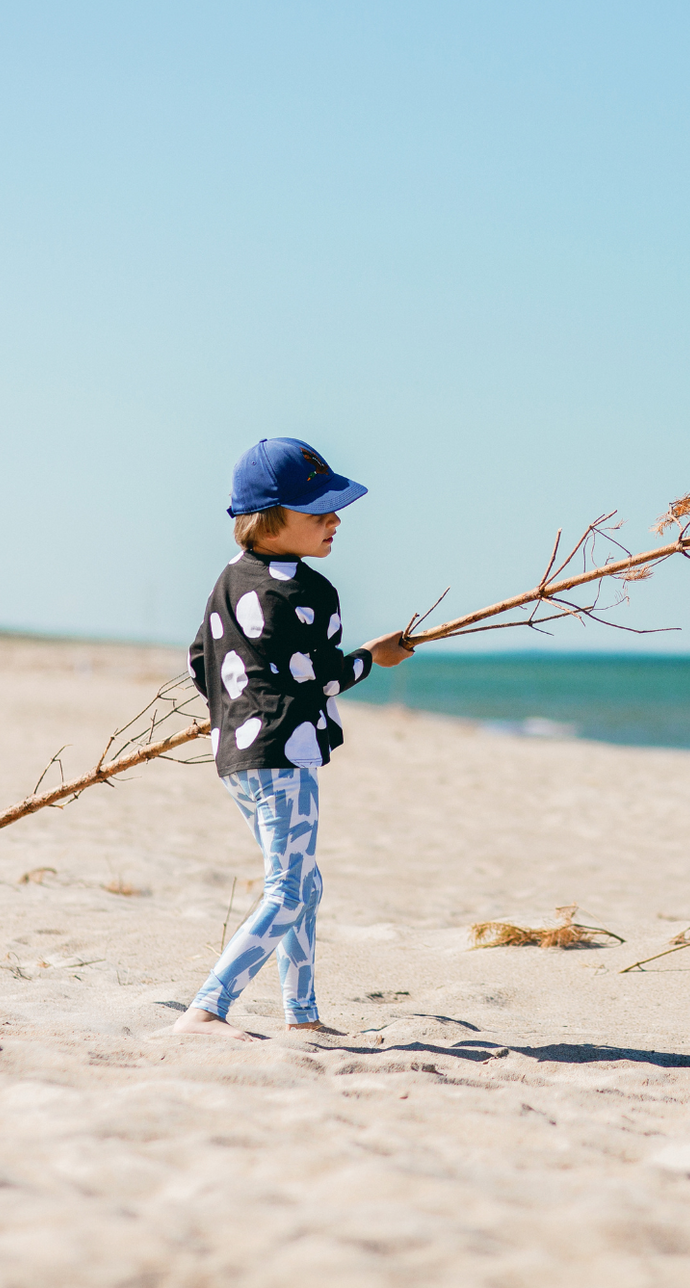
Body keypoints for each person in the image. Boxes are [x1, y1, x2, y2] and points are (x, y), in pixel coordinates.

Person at [173, 438, 413, 1041]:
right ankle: (206, 1009)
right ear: (270, 520)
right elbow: (322, 677)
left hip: (237, 753)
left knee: (303, 881)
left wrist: (235, 716)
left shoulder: (229, 579)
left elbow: (202, 658)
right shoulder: (308, 591)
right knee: (289, 886)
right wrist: (374, 658)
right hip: (284, 750)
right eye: (318, 512)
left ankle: (302, 1016)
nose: (335, 520)